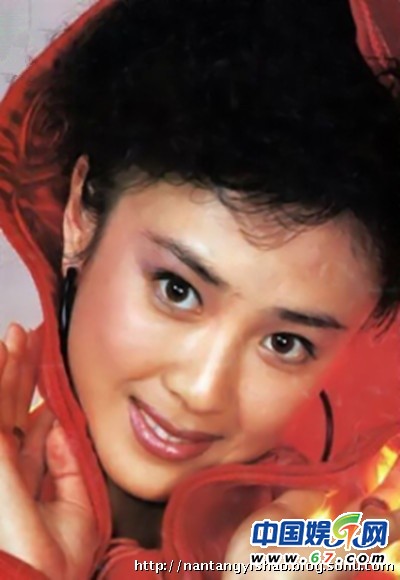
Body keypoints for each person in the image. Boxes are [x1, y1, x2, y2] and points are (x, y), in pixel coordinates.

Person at [0, 0, 399, 578]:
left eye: (285, 343)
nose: (202, 391)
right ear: (82, 214)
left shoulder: (346, 542)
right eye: (177, 290)